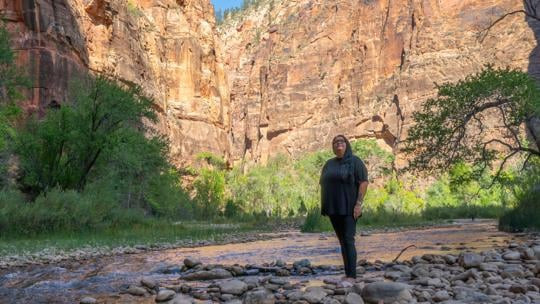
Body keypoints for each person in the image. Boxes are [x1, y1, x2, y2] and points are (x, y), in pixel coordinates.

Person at [319, 135, 369, 283]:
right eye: (335, 142)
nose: (338, 144)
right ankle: (347, 274)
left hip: (349, 208)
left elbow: (364, 183)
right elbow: (323, 184)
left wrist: (358, 204)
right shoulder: (329, 164)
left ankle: (352, 276)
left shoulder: (355, 161)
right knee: (342, 241)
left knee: (348, 239)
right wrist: (325, 206)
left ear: (346, 144)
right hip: (334, 208)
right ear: (333, 147)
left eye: (341, 141)